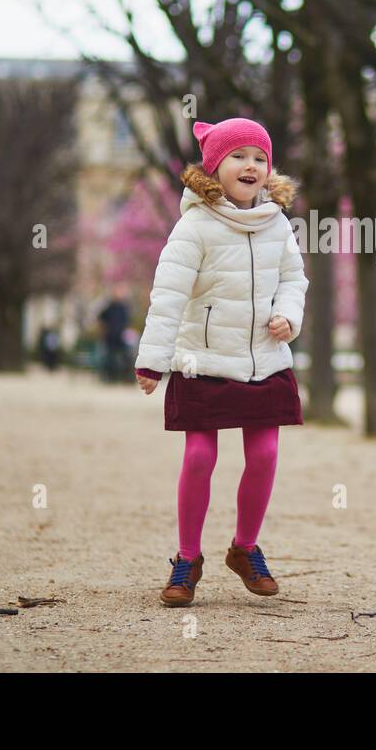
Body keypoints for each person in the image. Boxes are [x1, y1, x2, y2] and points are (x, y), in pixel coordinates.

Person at [134, 117, 308, 608]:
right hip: (203, 360)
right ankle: (187, 559)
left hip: (265, 360)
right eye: (238, 156)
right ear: (215, 166)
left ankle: (245, 548)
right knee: (199, 457)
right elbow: (168, 295)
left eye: (259, 157)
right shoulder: (195, 225)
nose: (250, 165)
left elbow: (295, 280)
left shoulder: (276, 222)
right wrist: (153, 361)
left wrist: (286, 316)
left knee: (267, 455)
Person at [98, 283, 131, 383]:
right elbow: (100, 318)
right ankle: (109, 378)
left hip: (120, 338)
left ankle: (126, 378)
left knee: (126, 357)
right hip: (109, 338)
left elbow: (127, 321)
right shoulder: (109, 306)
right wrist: (104, 329)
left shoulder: (123, 308)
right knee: (108, 359)